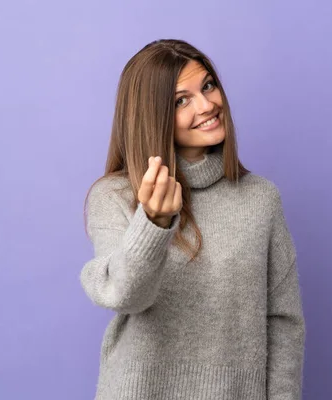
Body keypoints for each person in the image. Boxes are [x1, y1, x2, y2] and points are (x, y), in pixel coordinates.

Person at [80, 39, 305, 400]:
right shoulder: (115, 197)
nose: (207, 105)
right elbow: (124, 296)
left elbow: (282, 322)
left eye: (208, 85)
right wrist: (152, 224)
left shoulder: (261, 198)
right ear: (153, 116)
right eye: (181, 100)